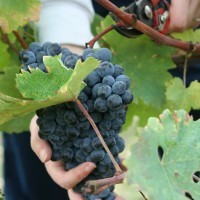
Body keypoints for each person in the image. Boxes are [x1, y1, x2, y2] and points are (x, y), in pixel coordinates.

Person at [3, 0, 200, 200]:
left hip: (187, 56)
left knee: (187, 169)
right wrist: (73, 69)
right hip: (87, 23)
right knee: (40, 186)